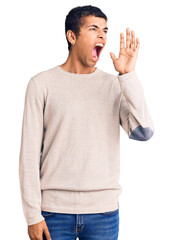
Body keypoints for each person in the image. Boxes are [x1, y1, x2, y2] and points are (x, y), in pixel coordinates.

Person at [19, 5, 154, 240]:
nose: (102, 35)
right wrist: (32, 215)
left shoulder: (115, 85)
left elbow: (143, 132)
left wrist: (128, 75)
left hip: (103, 213)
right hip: (53, 213)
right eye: (93, 29)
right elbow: (29, 155)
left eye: (105, 30)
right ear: (72, 36)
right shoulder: (41, 84)